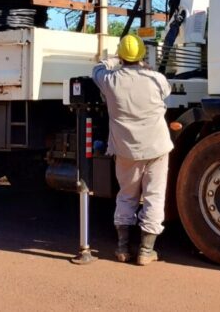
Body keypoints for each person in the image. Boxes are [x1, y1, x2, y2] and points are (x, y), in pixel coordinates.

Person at [92, 34, 173, 266]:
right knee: (154, 196)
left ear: (121, 55)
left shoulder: (109, 80)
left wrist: (111, 60)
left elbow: (96, 69)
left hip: (126, 150)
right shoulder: (157, 79)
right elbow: (166, 92)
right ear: (142, 55)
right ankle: (146, 251)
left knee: (126, 195)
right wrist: (146, 68)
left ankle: (122, 248)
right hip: (156, 147)